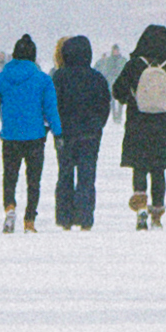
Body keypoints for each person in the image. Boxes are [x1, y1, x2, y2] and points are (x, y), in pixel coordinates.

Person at [112, 24, 166, 229]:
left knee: (139, 167)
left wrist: (132, 100)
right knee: (158, 170)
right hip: (163, 127)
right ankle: (157, 215)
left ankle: (141, 207)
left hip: (137, 125)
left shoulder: (134, 65)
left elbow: (117, 90)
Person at [0, 34, 61, 232]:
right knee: (33, 180)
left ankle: (10, 208)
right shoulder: (43, 79)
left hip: (10, 136)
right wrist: (57, 132)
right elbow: (50, 108)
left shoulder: (2, 77)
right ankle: (29, 220)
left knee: (10, 176)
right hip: (35, 136)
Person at [50, 35, 112, 231]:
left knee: (65, 175)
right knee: (87, 176)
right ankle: (85, 219)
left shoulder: (59, 77)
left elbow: (51, 105)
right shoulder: (97, 78)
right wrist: (98, 125)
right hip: (90, 134)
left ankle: (65, 218)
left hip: (64, 134)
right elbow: (105, 105)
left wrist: (54, 128)